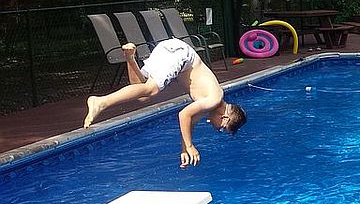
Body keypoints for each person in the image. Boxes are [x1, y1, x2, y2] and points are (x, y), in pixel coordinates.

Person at [83, 39, 247, 167]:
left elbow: (189, 123)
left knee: (143, 95)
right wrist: (190, 146)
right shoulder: (214, 98)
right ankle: (100, 102)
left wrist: (184, 149)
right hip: (180, 54)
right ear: (225, 118)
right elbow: (184, 115)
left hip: (175, 51)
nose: (216, 128)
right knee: (151, 89)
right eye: (222, 128)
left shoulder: (210, 105)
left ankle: (130, 58)